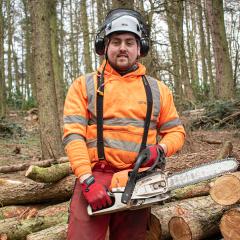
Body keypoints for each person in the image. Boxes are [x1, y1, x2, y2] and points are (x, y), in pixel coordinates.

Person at [63, 8, 185, 240]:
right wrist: (87, 180)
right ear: (104, 46)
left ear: (140, 49)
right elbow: (73, 135)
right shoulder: (84, 85)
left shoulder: (158, 90)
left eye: (130, 42)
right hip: (94, 176)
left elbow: (175, 132)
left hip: (137, 178)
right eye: (116, 41)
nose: (122, 47)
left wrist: (160, 149)